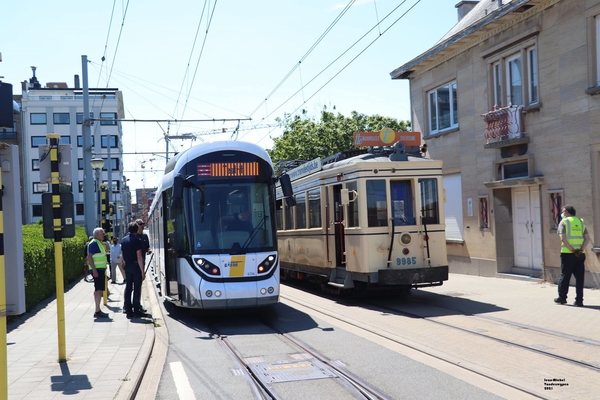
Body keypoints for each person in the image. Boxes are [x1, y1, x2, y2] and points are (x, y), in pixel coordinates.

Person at [554, 204, 590, 307]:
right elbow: (587, 238)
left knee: (565, 275)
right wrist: (581, 250)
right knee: (579, 278)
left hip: (567, 254)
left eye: (563, 211)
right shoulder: (580, 222)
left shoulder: (564, 222)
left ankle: (562, 297)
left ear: (567, 212)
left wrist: (572, 250)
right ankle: (579, 300)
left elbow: (563, 239)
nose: (562, 213)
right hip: (580, 254)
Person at [121, 222, 146, 319]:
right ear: (137, 229)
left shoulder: (124, 240)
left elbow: (122, 254)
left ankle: (128, 310)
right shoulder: (137, 241)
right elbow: (139, 257)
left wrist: (124, 262)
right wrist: (142, 272)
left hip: (128, 266)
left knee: (128, 288)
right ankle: (136, 310)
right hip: (136, 266)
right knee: (137, 288)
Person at [86, 228, 110, 318]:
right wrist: (94, 270)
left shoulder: (98, 242)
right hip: (98, 270)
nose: (104, 234)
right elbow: (90, 257)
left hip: (100, 270)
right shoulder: (94, 243)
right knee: (98, 290)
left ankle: (98, 310)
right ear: (96, 234)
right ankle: (97, 311)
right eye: (102, 233)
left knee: (98, 290)